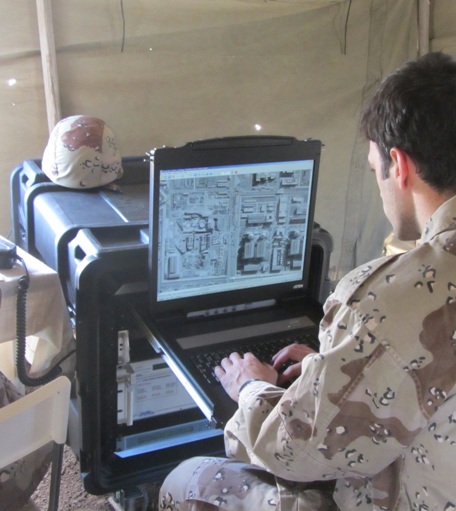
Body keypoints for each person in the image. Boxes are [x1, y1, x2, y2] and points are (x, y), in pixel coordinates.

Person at [159, 51, 456, 511]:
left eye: (374, 168)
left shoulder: (386, 298)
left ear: (398, 165)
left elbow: (295, 454)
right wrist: (337, 367)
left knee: (191, 480)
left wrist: (251, 388)